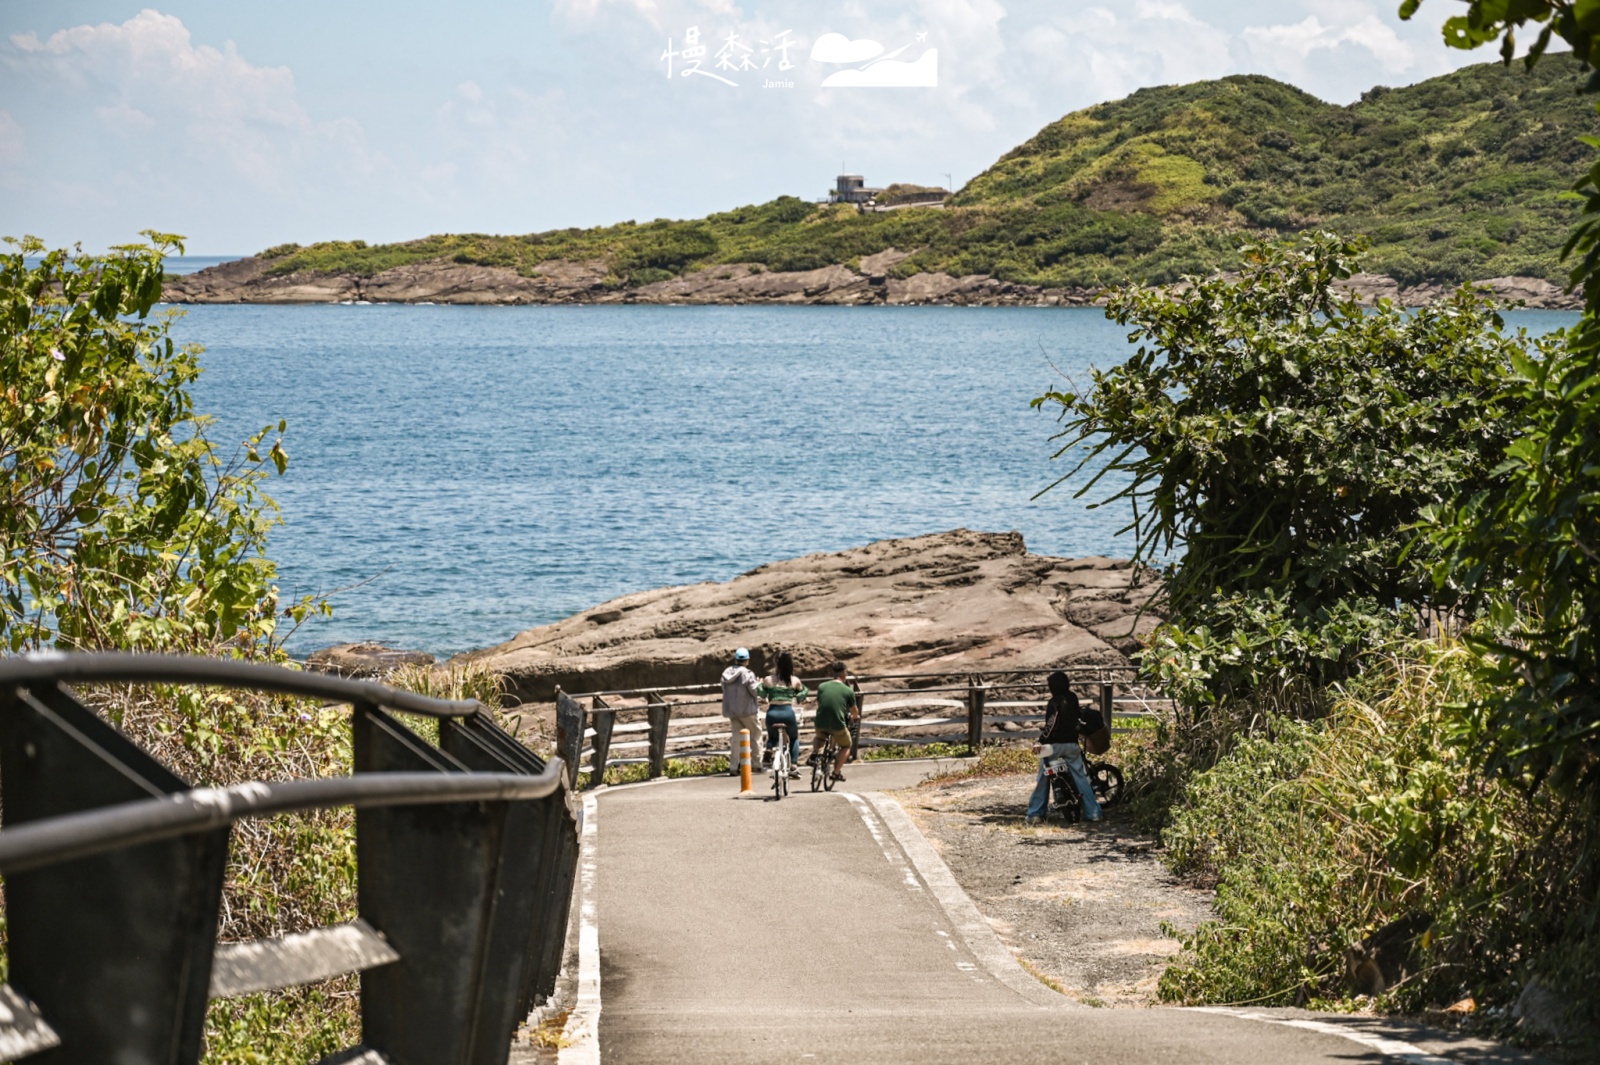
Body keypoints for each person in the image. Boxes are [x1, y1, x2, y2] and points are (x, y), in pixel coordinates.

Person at [1025, 671, 1103, 824]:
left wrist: (1040, 741)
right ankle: (1093, 813)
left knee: (1043, 776)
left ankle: (1036, 813)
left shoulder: (1054, 702)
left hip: (1053, 747)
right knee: (1081, 778)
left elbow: (1052, 723)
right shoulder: (1073, 698)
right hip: (1072, 745)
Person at [757, 650, 807, 779]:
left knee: (773, 737)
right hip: (787, 713)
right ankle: (794, 766)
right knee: (794, 738)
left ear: (776, 664)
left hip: (772, 713)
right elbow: (801, 695)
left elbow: (761, 694)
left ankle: (769, 750)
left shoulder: (768, 680)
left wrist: (760, 685)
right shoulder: (794, 680)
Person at [807, 661, 858, 783]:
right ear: (845, 673)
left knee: (819, 738)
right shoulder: (848, 690)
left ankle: (815, 753)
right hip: (837, 724)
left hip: (820, 722)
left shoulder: (822, 687)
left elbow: (820, 703)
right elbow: (854, 710)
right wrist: (855, 717)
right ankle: (835, 773)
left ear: (832, 673)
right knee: (846, 746)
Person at [720, 647, 762, 776]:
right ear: (747, 660)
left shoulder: (726, 673)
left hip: (733, 711)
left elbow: (724, 689)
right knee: (756, 736)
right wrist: (759, 684)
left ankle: (733, 767)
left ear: (736, 659)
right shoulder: (747, 673)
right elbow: (755, 691)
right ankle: (757, 765)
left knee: (736, 739)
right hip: (748, 711)